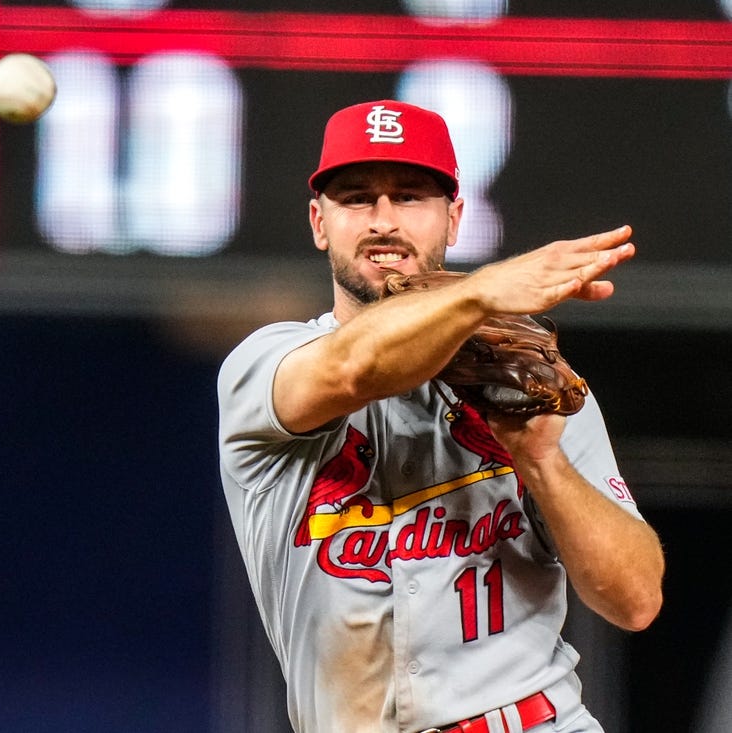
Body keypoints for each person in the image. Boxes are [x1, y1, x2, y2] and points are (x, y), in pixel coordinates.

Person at [216, 99, 665, 733]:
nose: (383, 221)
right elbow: (354, 368)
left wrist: (542, 460)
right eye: (356, 199)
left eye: (409, 197)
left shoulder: (525, 377)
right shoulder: (263, 366)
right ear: (319, 222)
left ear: (454, 218)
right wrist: (479, 290)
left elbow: (636, 600)